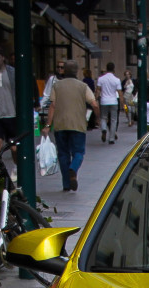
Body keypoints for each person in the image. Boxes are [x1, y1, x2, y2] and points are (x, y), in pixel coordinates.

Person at [42, 59, 99, 192]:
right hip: (78, 125)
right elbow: (94, 104)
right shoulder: (83, 86)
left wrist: (48, 124)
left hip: (60, 125)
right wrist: (97, 118)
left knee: (63, 154)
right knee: (78, 152)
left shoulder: (57, 86)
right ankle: (73, 168)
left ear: (64, 71)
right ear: (76, 71)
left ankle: (66, 184)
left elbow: (52, 105)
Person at [95, 62, 122, 144]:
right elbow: (120, 93)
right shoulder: (116, 80)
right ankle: (111, 138)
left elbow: (98, 90)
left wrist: (95, 99)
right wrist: (123, 103)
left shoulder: (101, 79)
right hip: (113, 101)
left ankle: (104, 129)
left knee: (103, 117)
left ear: (106, 69)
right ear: (114, 69)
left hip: (104, 101)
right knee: (113, 120)